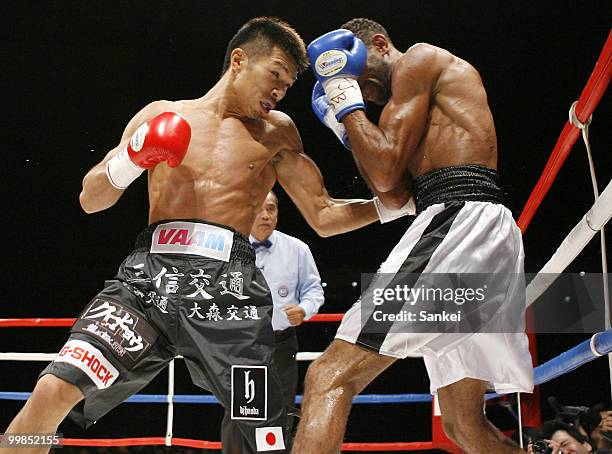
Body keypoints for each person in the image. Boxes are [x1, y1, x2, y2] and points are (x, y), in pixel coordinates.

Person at [1, 17, 412, 454]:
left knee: (263, 436)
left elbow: (324, 215)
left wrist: (399, 206)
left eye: (288, 85)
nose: (279, 92)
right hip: (147, 282)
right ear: (239, 60)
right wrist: (132, 160)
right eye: (275, 75)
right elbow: (90, 199)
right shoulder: (162, 114)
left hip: (229, 294)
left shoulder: (277, 134)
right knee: (52, 391)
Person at [293, 18, 534, 454]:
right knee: (465, 426)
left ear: (380, 45)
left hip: (460, 225)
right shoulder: (402, 106)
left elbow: (384, 171)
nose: (364, 95)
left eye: (362, 81)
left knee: (328, 375)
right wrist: (349, 127)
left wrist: (347, 105)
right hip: (480, 234)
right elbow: (395, 191)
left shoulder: (419, 59)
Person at [249, 190, 325, 444]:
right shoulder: (232, 249)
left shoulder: (297, 249)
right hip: (241, 345)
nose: (266, 215)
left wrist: (304, 309)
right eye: (260, 208)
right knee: (241, 410)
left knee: (281, 410)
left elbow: (314, 290)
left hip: (281, 343)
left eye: (271, 209)